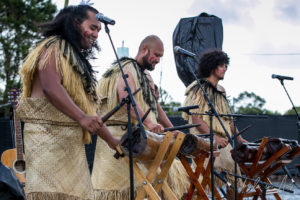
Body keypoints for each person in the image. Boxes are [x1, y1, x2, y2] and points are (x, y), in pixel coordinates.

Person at [16, 5, 119, 200]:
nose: (97, 34)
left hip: (72, 147)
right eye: (93, 27)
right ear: (76, 23)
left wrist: (113, 141)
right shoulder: (53, 47)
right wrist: (81, 118)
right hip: (46, 142)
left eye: (99, 30)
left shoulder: (76, 62)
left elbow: (90, 112)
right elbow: (51, 87)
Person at [91, 35, 188, 199]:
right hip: (119, 138)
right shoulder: (126, 69)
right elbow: (126, 99)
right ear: (144, 49)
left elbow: (155, 108)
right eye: (156, 55)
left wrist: (172, 129)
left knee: (145, 188)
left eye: (160, 57)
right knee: (117, 191)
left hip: (140, 141)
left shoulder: (145, 76)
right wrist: (149, 123)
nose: (157, 60)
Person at [182, 49, 247, 199]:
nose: (225, 68)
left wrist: (239, 138)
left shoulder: (222, 91)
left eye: (226, 66)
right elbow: (196, 119)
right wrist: (214, 139)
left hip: (224, 142)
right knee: (203, 178)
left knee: (234, 176)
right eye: (221, 65)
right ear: (212, 67)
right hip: (204, 140)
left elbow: (228, 120)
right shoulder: (198, 89)